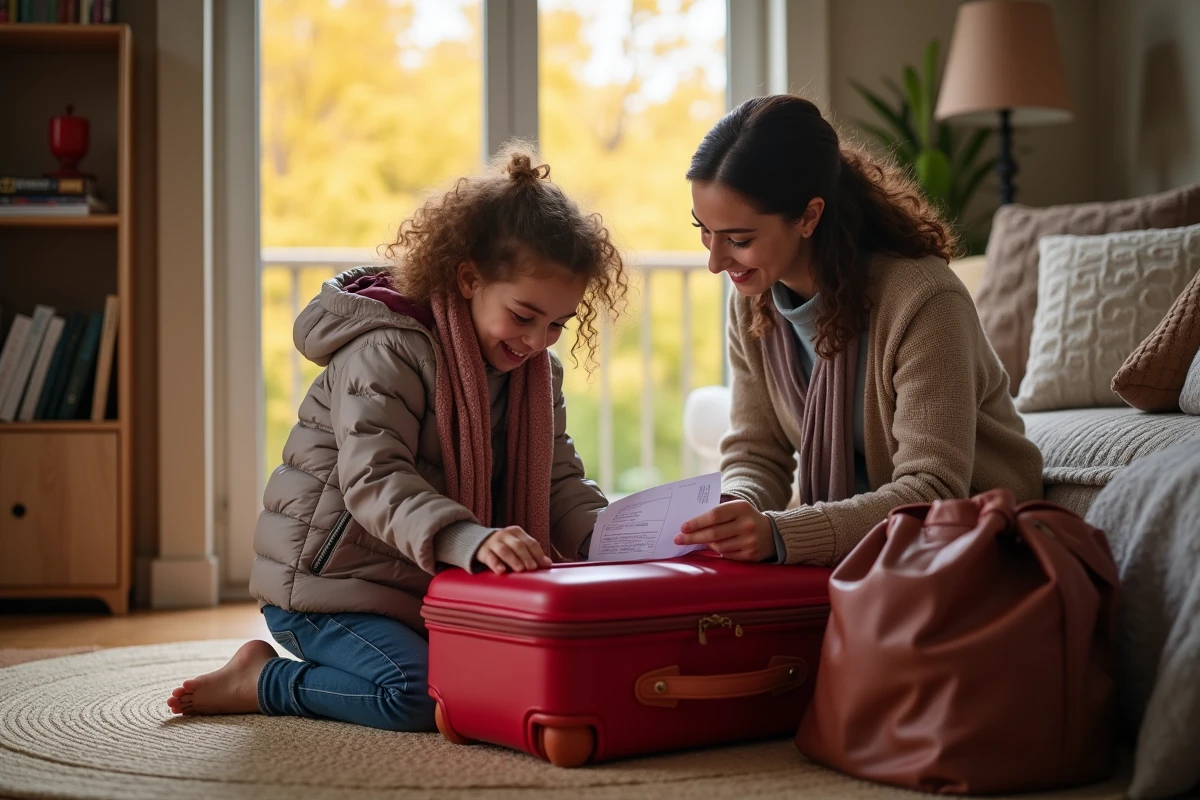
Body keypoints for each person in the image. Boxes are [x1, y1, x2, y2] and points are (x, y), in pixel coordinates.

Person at [166, 149, 627, 730]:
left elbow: (557, 480)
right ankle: (262, 680)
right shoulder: (387, 349)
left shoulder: (534, 375)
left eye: (558, 323)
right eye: (524, 315)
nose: (538, 341)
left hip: (422, 593)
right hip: (324, 588)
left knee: (526, 677)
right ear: (469, 279)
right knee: (422, 697)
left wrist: (617, 539)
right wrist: (468, 538)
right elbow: (374, 479)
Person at [675, 95, 1043, 566]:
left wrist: (782, 532)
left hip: (974, 541)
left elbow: (933, 490)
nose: (715, 261)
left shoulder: (924, 301)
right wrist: (735, 507)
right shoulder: (753, 302)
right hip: (861, 545)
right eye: (704, 230)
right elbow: (756, 450)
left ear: (809, 216)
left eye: (739, 240)